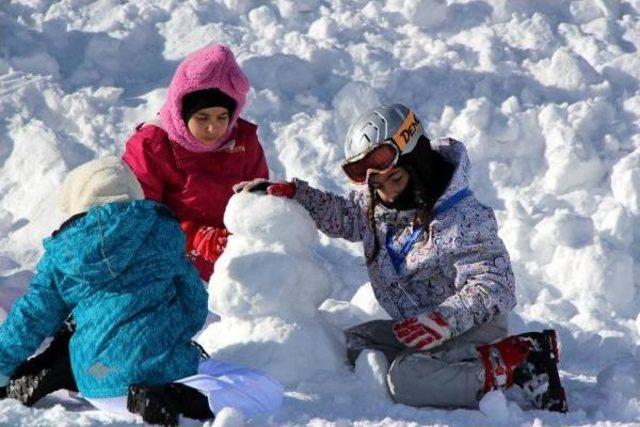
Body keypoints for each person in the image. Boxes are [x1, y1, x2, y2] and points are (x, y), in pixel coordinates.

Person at [236, 104, 567, 412]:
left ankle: (516, 366)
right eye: (378, 184)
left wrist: (444, 320)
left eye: (396, 178)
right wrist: (298, 196)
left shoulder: (462, 218)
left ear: (419, 164)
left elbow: (495, 285)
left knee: (405, 379)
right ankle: (457, 363)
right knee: (350, 343)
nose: (389, 192)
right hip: (418, 326)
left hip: (470, 325)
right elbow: (346, 214)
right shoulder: (380, 206)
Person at [0, 157, 283, 425]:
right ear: (134, 192)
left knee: (87, 333)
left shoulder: (61, 253)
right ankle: (175, 398)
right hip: (158, 374)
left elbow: (31, 317)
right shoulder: (162, 231)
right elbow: (194, 304)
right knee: (265, 389)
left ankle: (65, 363)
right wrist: (170, 335)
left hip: (97, 383)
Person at [122, 43, 269, 282]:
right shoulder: (152, 145)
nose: (214, 127)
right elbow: (138, 218)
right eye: (202, 117)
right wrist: (194, 238)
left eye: (223, 117)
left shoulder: (243, 140)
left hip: (235, 252)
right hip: (172, 259)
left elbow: (258, 198)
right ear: (183, 111)